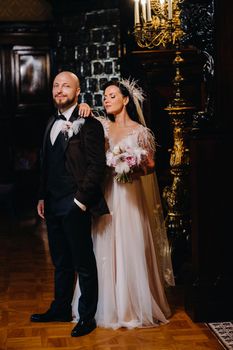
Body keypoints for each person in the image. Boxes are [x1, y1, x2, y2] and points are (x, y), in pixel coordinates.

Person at [72, 79, 175, 329]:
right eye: (105, 96)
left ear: (126, 100)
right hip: (107, 194)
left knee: (131, 245)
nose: (106, 99)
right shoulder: (102, 127)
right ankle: (104, 305)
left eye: (112, 95)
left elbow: (150, 165)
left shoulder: (139, 132)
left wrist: (130, 166)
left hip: (129, 198)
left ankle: (131, 306)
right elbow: (85, 130)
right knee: (104, 244)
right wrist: (83, 105)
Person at [30, 71, 109, 337]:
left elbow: (98, 166)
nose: (59, 90)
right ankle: (61, 308)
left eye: (66, 86)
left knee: (83, 263)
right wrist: (42, 196)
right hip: (52, 203)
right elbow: (46, 164)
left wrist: (81, 202)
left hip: (75, 203)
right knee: (61, 261)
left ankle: (87, 317)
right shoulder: (50, 121)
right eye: (55, 86)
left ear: (77, 92)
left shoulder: (90, 123)